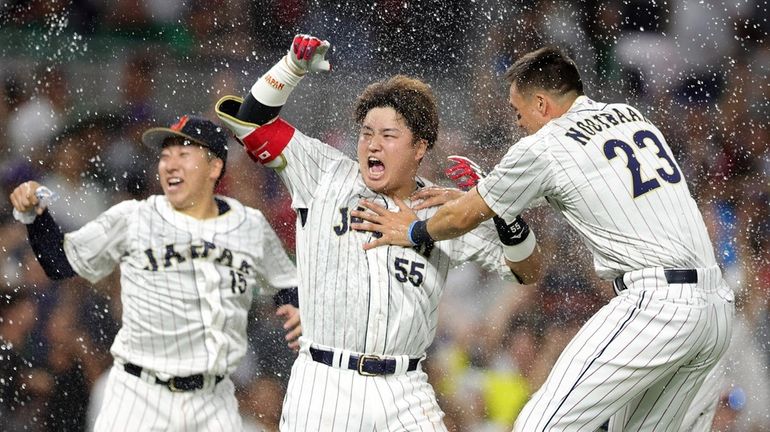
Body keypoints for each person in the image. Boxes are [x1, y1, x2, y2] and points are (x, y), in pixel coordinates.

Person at [352, 46, 735, 432]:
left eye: (519, 111)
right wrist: (477, 199)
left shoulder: (546, 144)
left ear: (541, 103)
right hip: (714, 307)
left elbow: (465, 216)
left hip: (657, 303)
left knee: (539, 425)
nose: (518, 123)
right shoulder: (630, 117)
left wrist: (413, 230)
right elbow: (584, 187)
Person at [214, 35, 529, 431]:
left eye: (388, 135)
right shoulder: (325, 174)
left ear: (420, 147)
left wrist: (498, 210)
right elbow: (252, 120)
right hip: (324, 382)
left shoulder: (444, 210)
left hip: (405, 388)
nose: (372, 144)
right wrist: (291, 67)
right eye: (366, 133)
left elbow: (525, 269)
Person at [8, 115, 302, 431]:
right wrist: (35, 216)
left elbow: (287, 284)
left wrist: (296, 308)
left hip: (211, 398)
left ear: (215, 167)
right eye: (165, 155)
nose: (170, 164)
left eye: (183, 154)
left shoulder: (249, 226)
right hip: (139, 394)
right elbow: (59, 262)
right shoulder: (133, 218)